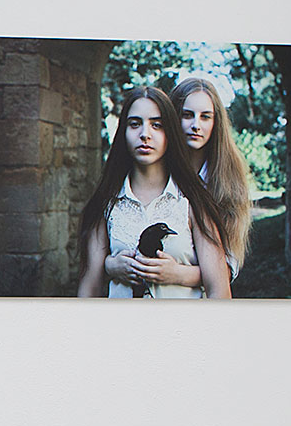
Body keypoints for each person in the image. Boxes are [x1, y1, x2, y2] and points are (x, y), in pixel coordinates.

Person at [104, 73, 253, 295]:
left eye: (205, 117)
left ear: (216, 122)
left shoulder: (225, 181)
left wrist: (178, 273)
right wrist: (109, 264)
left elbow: (225, 270)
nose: (195, 125)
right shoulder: (148, 167)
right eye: (187, 115)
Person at [77, 85, 231, 299]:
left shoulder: (193, 199)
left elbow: (220, 290)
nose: (145, 135)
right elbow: (89, 289)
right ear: (123, 132)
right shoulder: (107, 202)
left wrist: (178, 274)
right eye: (135, 124)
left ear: (170, 133)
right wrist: (108, 265)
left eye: (156, 125)